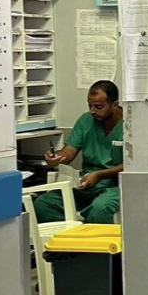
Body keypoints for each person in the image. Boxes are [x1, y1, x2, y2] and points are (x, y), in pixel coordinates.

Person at [35, 80, 123, 224]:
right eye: (90, 105)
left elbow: (134, 165)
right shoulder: (86, 121)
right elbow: (69, 151)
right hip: (86, 183)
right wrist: (57, 157)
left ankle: (92, 238)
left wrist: (100, 174)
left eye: (98, 107)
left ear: (114, 105)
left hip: (115, 186)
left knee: (100, 208)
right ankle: (71, 235)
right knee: (43, 204)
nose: (92, 111)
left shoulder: (131, 124)